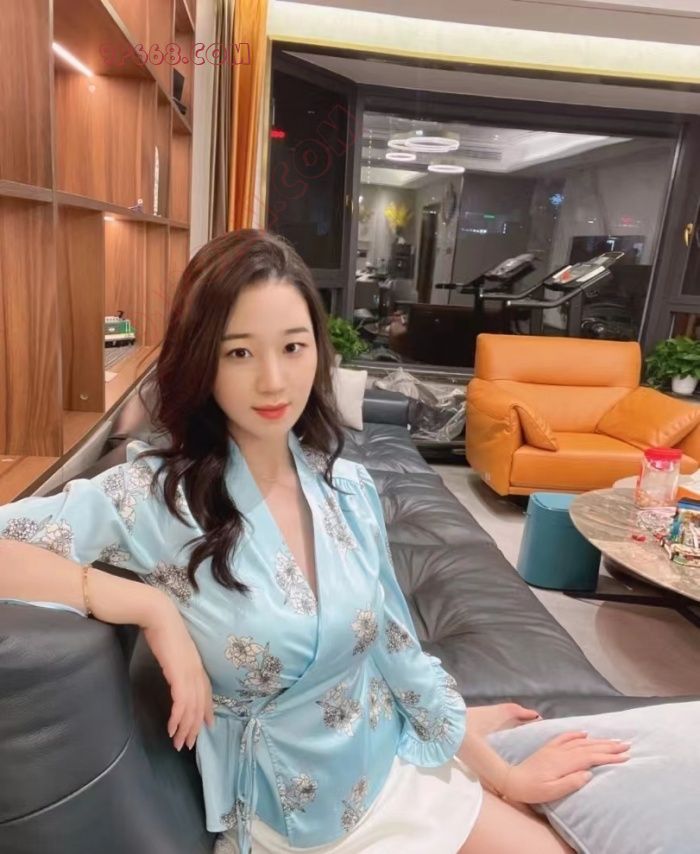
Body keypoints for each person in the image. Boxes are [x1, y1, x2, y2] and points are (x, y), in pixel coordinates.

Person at [0, 230, 629, 854]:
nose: (274, 381)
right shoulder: (154, 497)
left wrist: (501, 775)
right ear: (202, 359)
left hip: (393, 767)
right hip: (295, 828)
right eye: (239, 352)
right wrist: (147, 606)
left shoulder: (347, 489)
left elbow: (397, 652)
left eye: (293, 347)